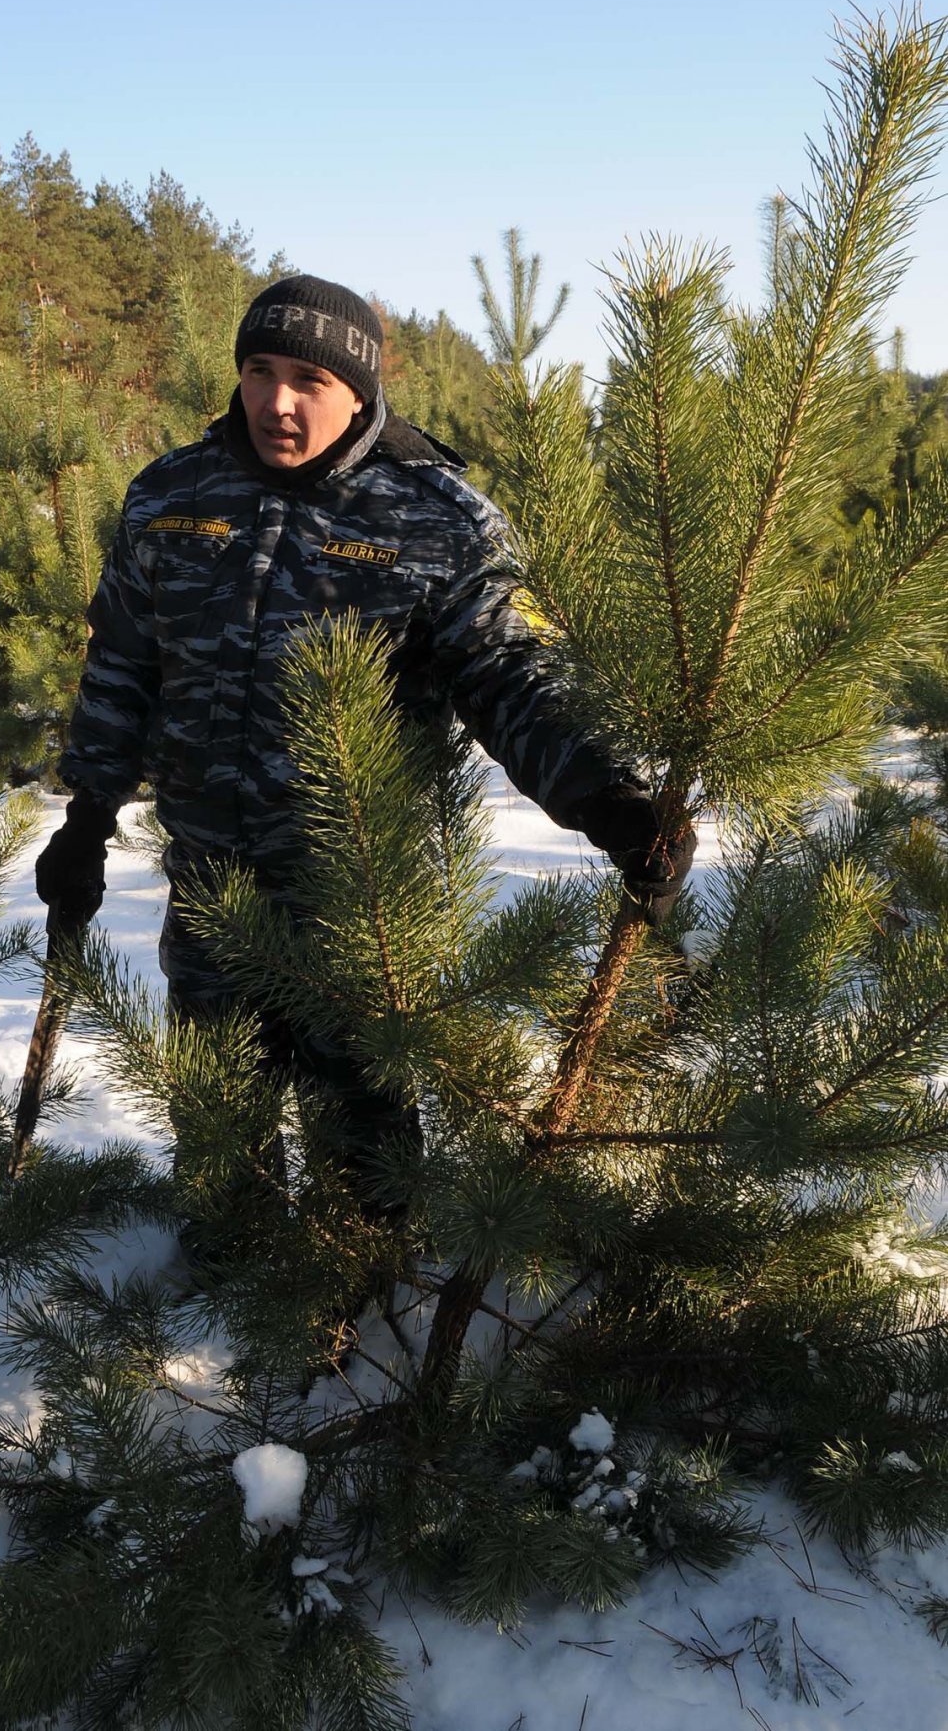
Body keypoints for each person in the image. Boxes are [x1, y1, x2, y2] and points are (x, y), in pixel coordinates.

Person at [35, 273, 692, 1230]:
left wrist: (608, 801)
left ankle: (366, 1314)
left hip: (360, 892)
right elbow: (125, 666)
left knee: (364, 1150)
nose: (277, 401)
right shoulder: (173, 496)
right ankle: (225, 1280)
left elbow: (507, 679)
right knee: (221, 1131)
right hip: (211, 877)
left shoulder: (435, 515)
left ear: (360, 389)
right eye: (259, 371)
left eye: (308, 377)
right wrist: (88, 817)